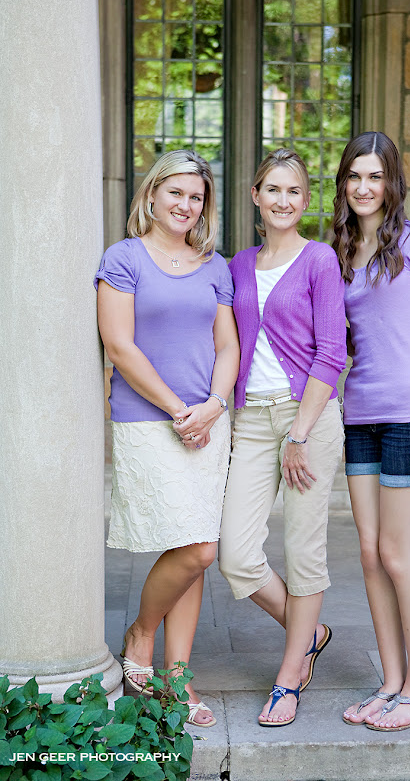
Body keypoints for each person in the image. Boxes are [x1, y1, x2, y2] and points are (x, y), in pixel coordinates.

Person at [94, 150, 239, 727]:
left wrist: (214, 405)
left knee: (196, 544)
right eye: (175, 192)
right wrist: (182, 411)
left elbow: (227, 345)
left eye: (196, 196)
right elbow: (119, 345)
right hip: (150, 421)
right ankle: (140, 634)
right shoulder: (123, 258)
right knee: (195, 549)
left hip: (208, 421)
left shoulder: (214, 265)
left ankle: (177, 679)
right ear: (151, 194)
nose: (185, 204)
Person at [218, 148, 346, 727]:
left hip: (308, 420)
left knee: (303, 548)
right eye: (273, 189)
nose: (283, 200)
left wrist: (299, 433)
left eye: (294, 191)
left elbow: (332, 353)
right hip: (251, 420)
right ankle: (309, 631)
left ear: (306, 199)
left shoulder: (319, 259)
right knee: (237, 555)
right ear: (255, 196)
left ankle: (289, 676)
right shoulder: (239, 265)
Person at [333, 132, 410, 732]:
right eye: (355, 176)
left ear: (391, 182)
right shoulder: (341, 250)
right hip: (359, 414)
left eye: (375, 176)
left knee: (400, 556)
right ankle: (391, 682)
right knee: (370, 553)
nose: (364, 187)